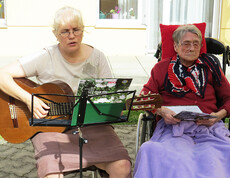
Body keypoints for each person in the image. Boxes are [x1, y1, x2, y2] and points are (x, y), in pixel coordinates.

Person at [0, 7, 131, 178]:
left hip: (92, 126)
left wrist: (115, 107)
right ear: (55, 34)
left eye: (76, 30)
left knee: (122, 167)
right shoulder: (45, 56)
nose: (71, 35)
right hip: (51, 127)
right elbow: (2, 75)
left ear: (83, 30)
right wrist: (28, 99)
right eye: (64, 31)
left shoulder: (97, 57)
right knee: (52, 175)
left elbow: (108, 98)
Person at [133, 24, 230, 178]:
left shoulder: (211, 67)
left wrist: (218, 115)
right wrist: (161, 111)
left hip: (209, 128)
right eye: (186, 43)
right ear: (176, 46)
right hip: (174, 129)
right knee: (161, 154)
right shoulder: (161, 68)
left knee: (216, 158)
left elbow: (228, 97)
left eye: (196, 43)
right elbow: (144, 98)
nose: (191, 48)